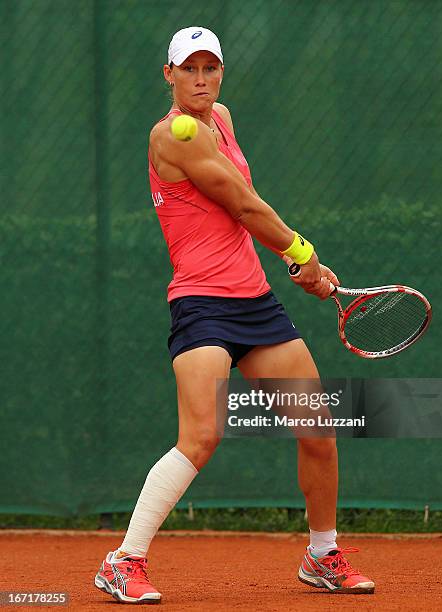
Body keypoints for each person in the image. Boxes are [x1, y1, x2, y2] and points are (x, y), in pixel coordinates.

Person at [94, 26, 375, 604]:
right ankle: (123, 561)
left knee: (319, 429)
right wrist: (302, 255)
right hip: (201, 304)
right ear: (168, 76)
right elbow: (243, 204)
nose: (200, 79)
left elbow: (243, 215)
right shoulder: (174, 135)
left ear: (220, 72)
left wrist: (302, 272)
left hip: (254, 301)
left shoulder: (222, 115)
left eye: (210, 67)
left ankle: (323, 556)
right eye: (188, 69)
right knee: (200, 435)